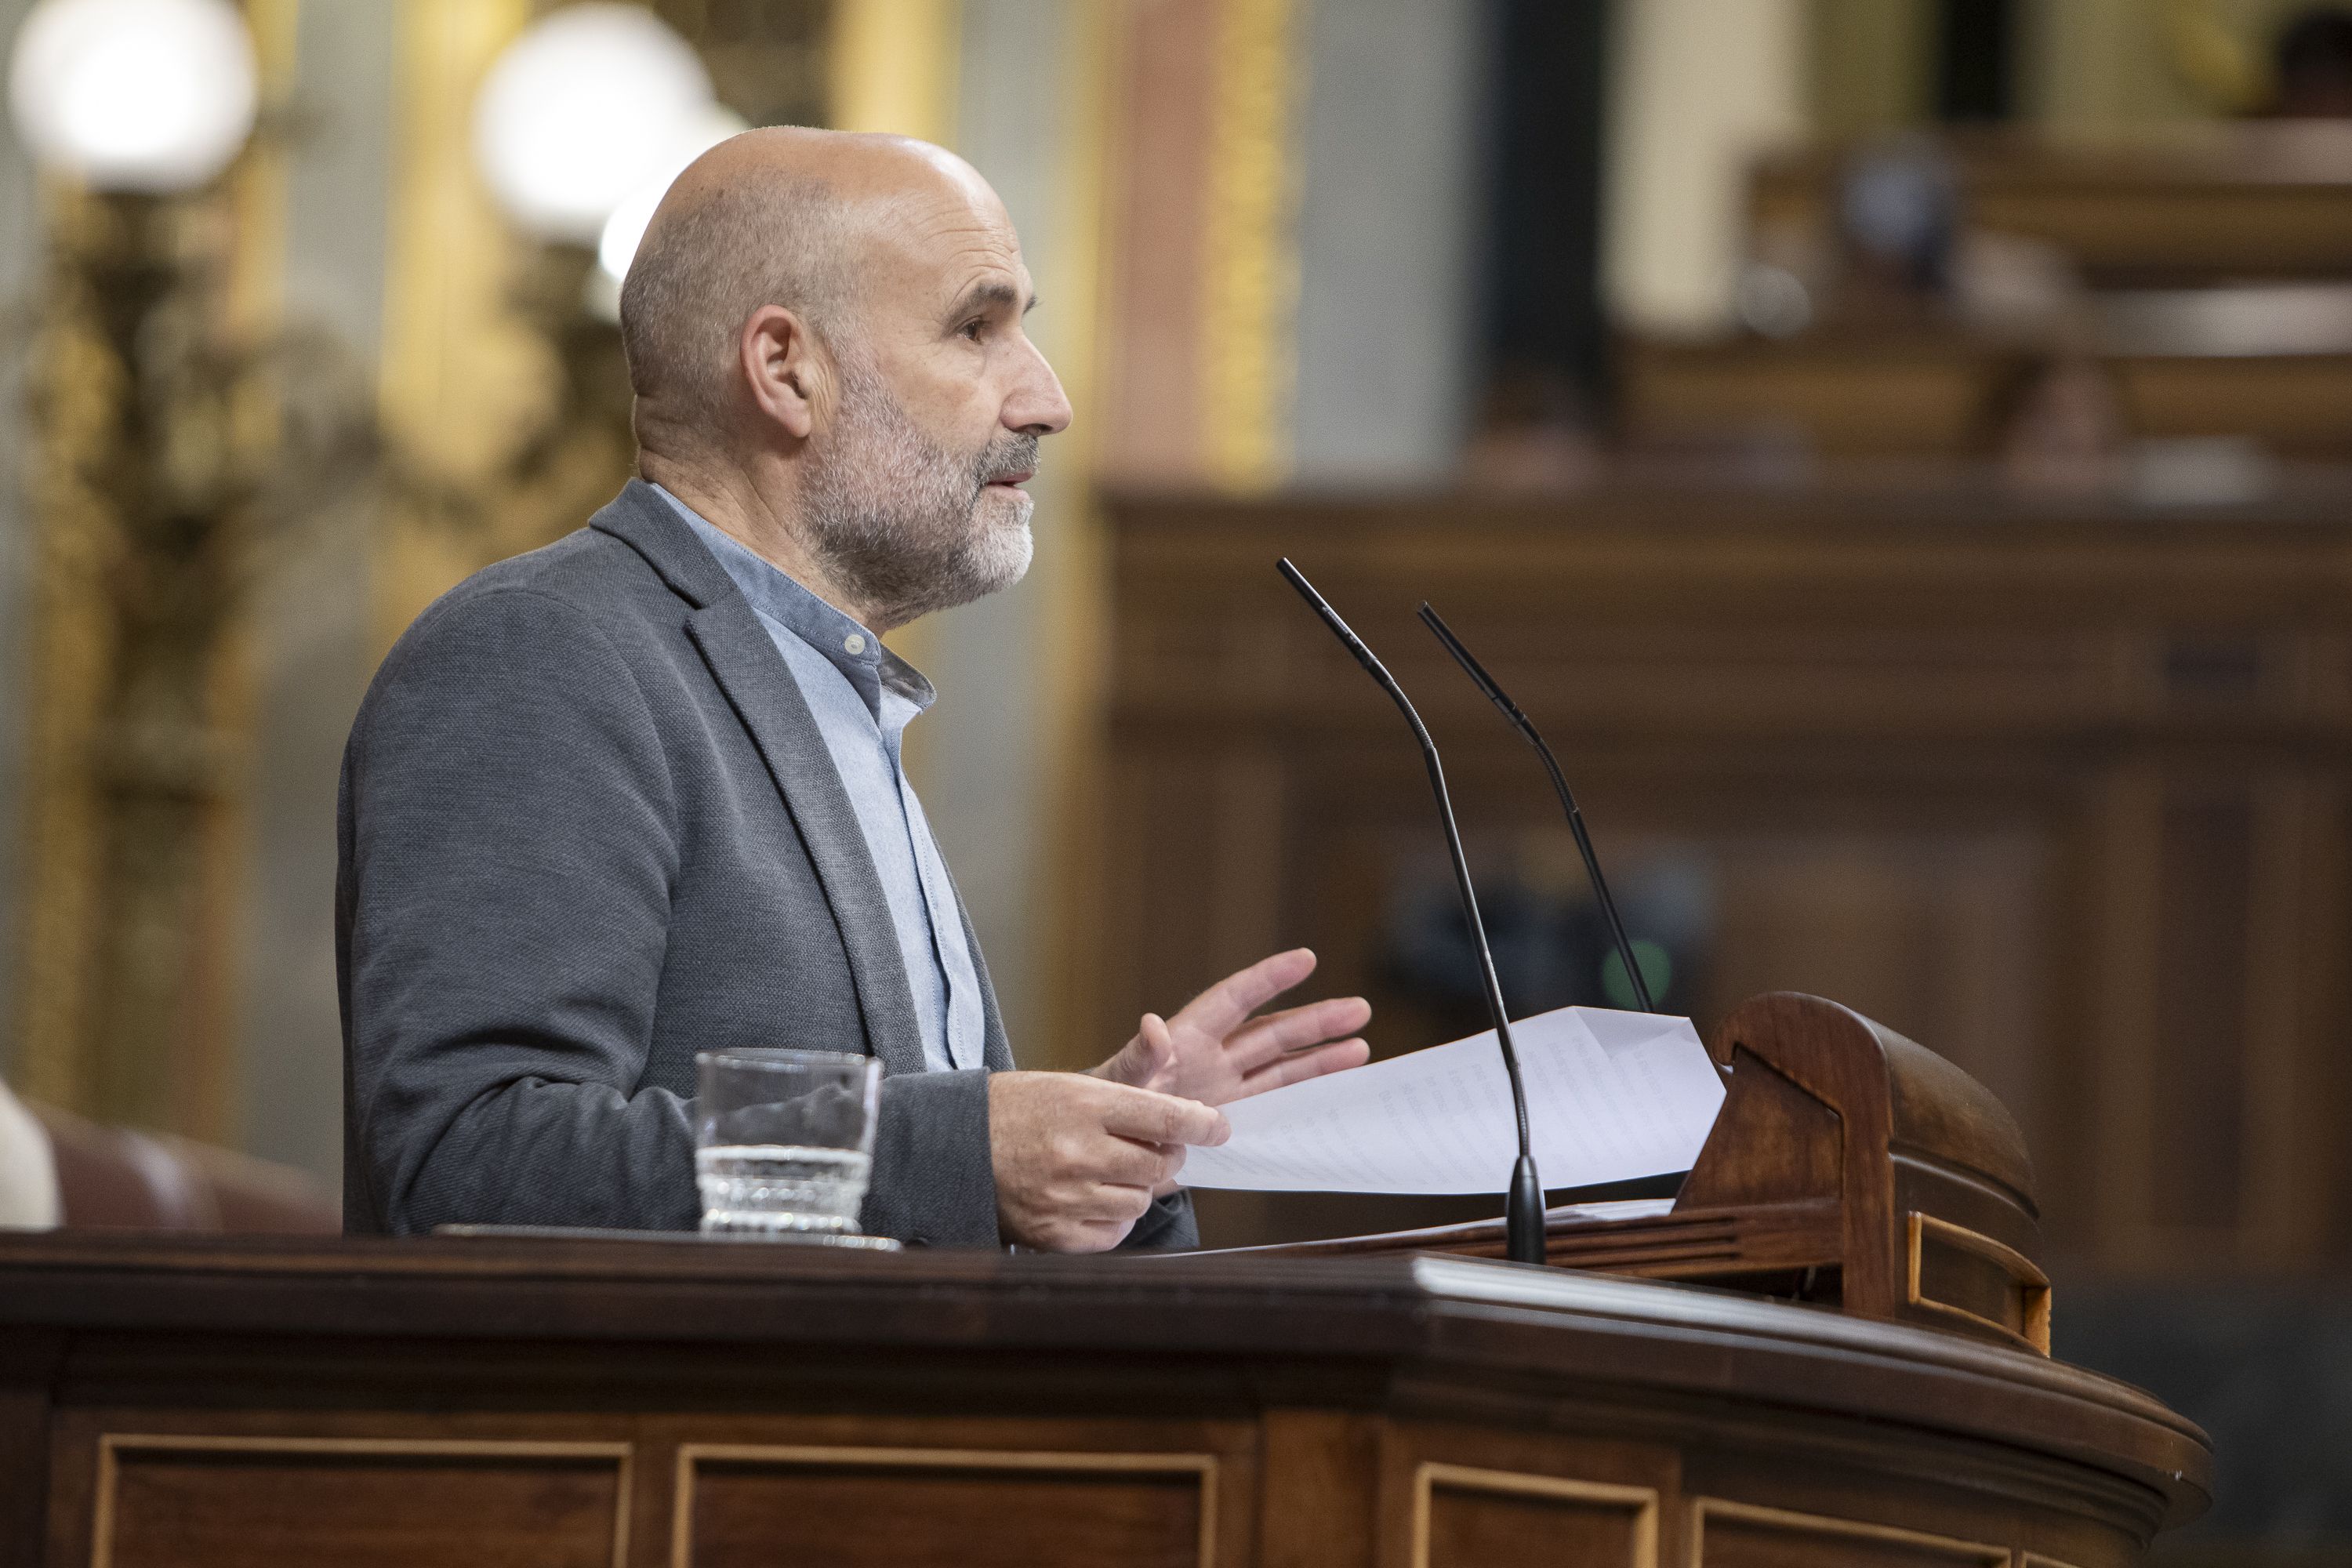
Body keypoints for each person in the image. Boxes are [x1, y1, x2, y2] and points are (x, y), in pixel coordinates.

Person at [338, 129, 1370, 1249]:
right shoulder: (544, 653)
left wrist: (1101, 1156)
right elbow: (473, 1150)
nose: (1048, 398)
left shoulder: (830, 696)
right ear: (786, 370)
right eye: (979, 328)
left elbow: (896, 1198)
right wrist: (965, 1149)